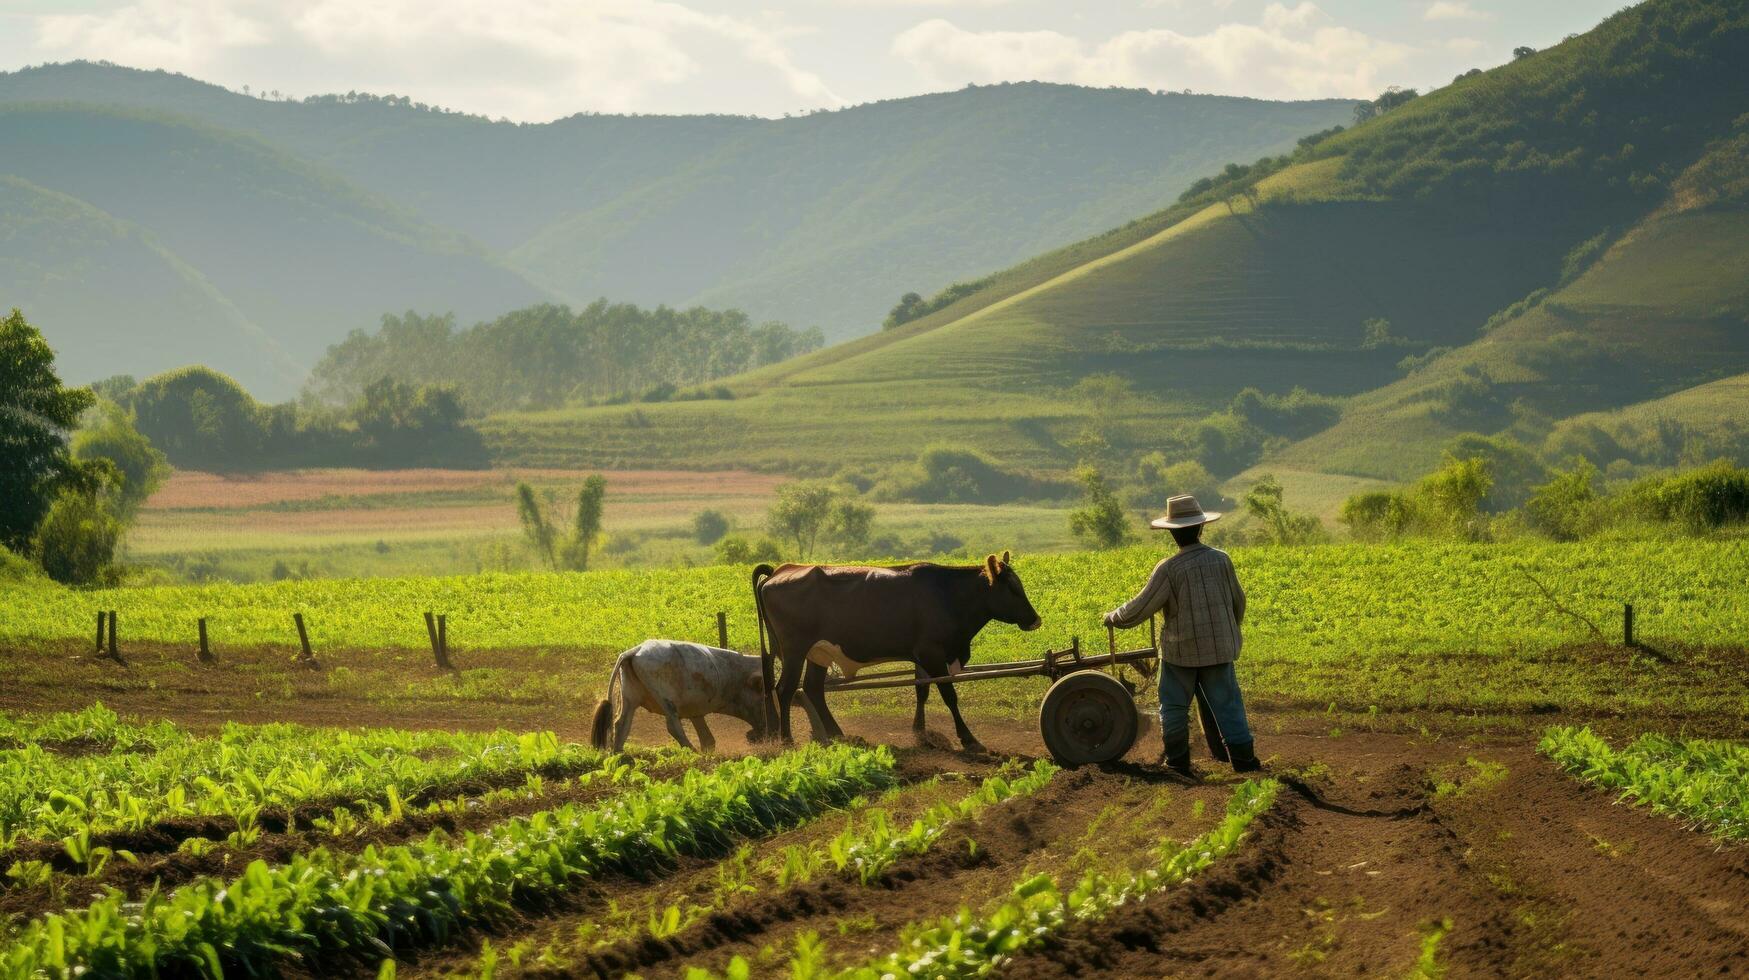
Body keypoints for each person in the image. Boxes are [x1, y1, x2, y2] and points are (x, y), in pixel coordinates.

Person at [1103, 493, 1260, 777]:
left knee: (1174, 705)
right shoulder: (1221, 560)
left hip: (1181, 652)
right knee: (1228, 704)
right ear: (1201, 529)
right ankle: (1245, 761)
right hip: (1220, 649)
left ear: (1172, 533)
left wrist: (1113, 617)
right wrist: (1228, 631)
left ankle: (1177, 761)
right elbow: (1239, 601)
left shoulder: (1169, 569)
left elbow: (1141, 606)